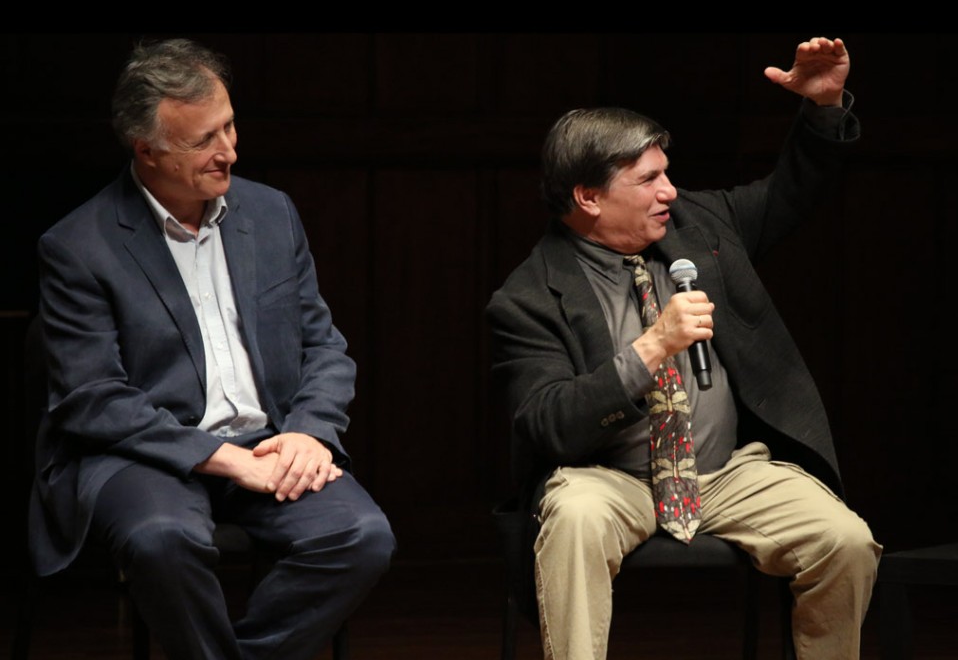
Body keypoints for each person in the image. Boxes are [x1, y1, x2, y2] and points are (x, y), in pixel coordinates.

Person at [486, 36, 881, 660]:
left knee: (845, 539)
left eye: (666, 172)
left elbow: (790, 194)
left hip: (726, 468)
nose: (670, 190)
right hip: (609, 476)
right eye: (648, 179)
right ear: (588, 197)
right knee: (574, 520)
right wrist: (649, 350)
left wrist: (824, 106)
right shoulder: (530, 296)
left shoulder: (701, 226)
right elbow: (547, 422)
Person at [27, 38, 395, 660]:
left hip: (271, 439)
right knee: (162, 540)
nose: (229, 150)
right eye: (203, 140)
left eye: (228, 126)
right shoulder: (77, 246)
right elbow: (93, 400)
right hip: (145, 453)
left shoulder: (271, 212)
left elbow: (323, 345)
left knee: (361, 536)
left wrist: (310, 431)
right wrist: (223, 458)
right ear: (146, 149)